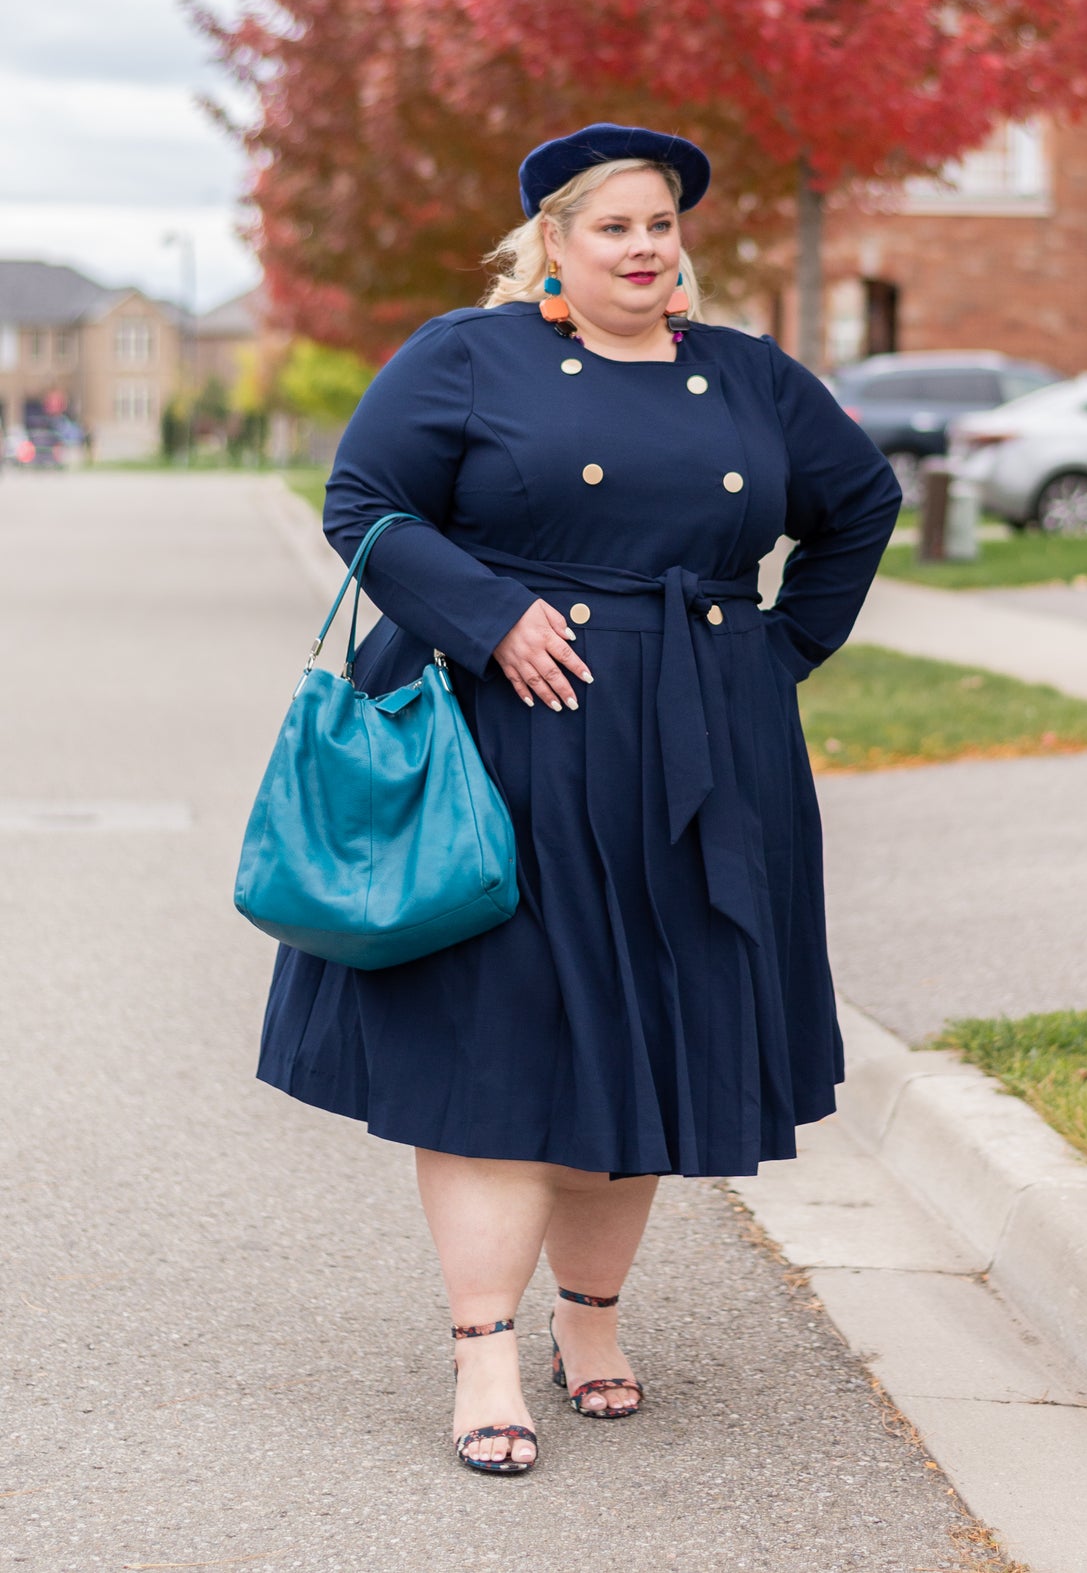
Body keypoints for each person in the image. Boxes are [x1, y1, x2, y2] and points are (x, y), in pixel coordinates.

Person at [256, 123, 901, 1475]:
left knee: (645, 1030)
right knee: (502, 1038)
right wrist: (487, 615)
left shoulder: (747, 374)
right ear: (550, 241)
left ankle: (591, 1320)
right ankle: (484, 1350)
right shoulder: (465, 355)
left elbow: (860, 501)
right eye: (611, 224)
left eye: (660, 222)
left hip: (697, 750)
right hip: (510, 746)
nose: (643, 246)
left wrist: (775, 650)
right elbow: (364, 503)